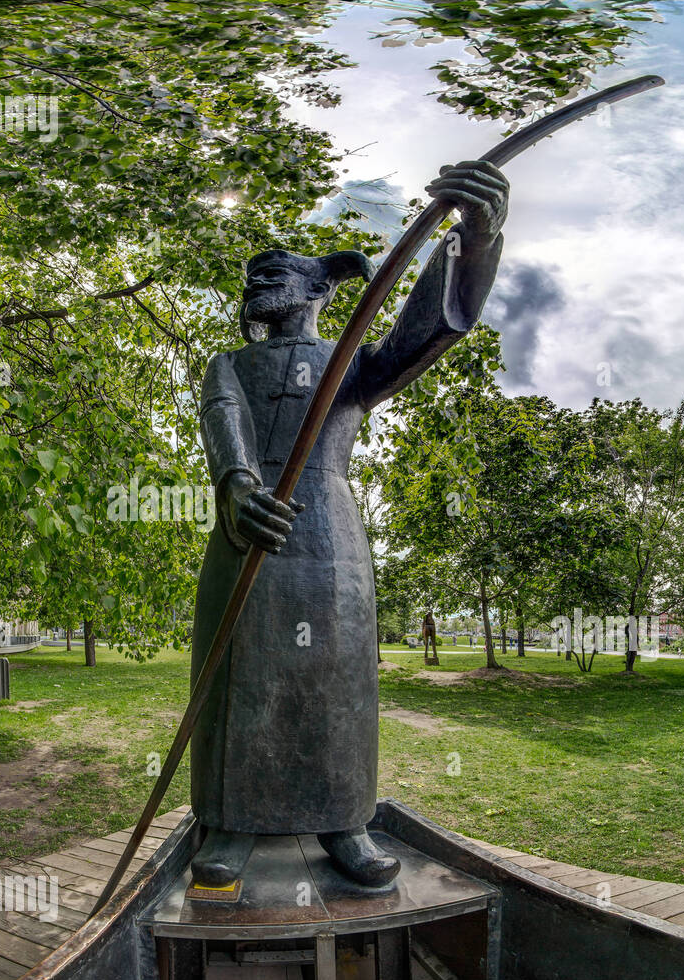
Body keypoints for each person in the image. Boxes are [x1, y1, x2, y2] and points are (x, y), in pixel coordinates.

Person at [186, 161, 509, 899]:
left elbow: (427, 331)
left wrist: (472, 239)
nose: (259, 283)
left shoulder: (352, 365)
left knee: (334, 678)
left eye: (279, 273)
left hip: (330, 536)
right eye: (254, 276)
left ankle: (341, 819)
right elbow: (223, 420)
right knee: (242, 673)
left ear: (320, 291)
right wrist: (237, 487)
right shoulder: (227, 362)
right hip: (248, 528)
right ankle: (231, 820)